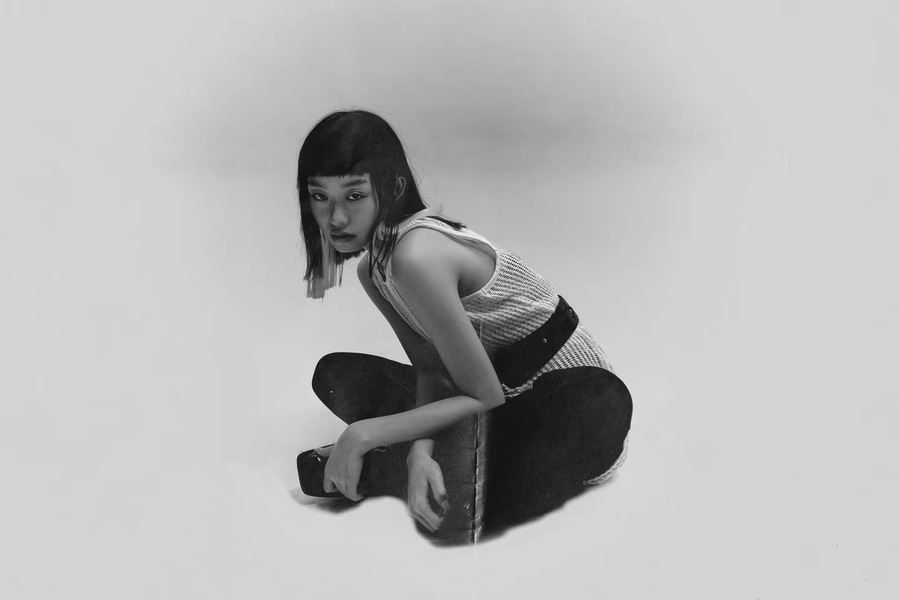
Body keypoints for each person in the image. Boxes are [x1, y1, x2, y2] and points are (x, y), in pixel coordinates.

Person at [295, 109, 632, 544]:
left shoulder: (416, 255)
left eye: (354, 195)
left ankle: (404, 475)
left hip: (567, 407)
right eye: (320, 197)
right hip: (495, 406)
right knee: (337, 374)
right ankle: (440, 477)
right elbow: (433, 371)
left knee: (598, 403)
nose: (336, 218)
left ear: (393, 188)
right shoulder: (373, 272)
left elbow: (483, 394)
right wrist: (420, 452)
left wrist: (362, 433)